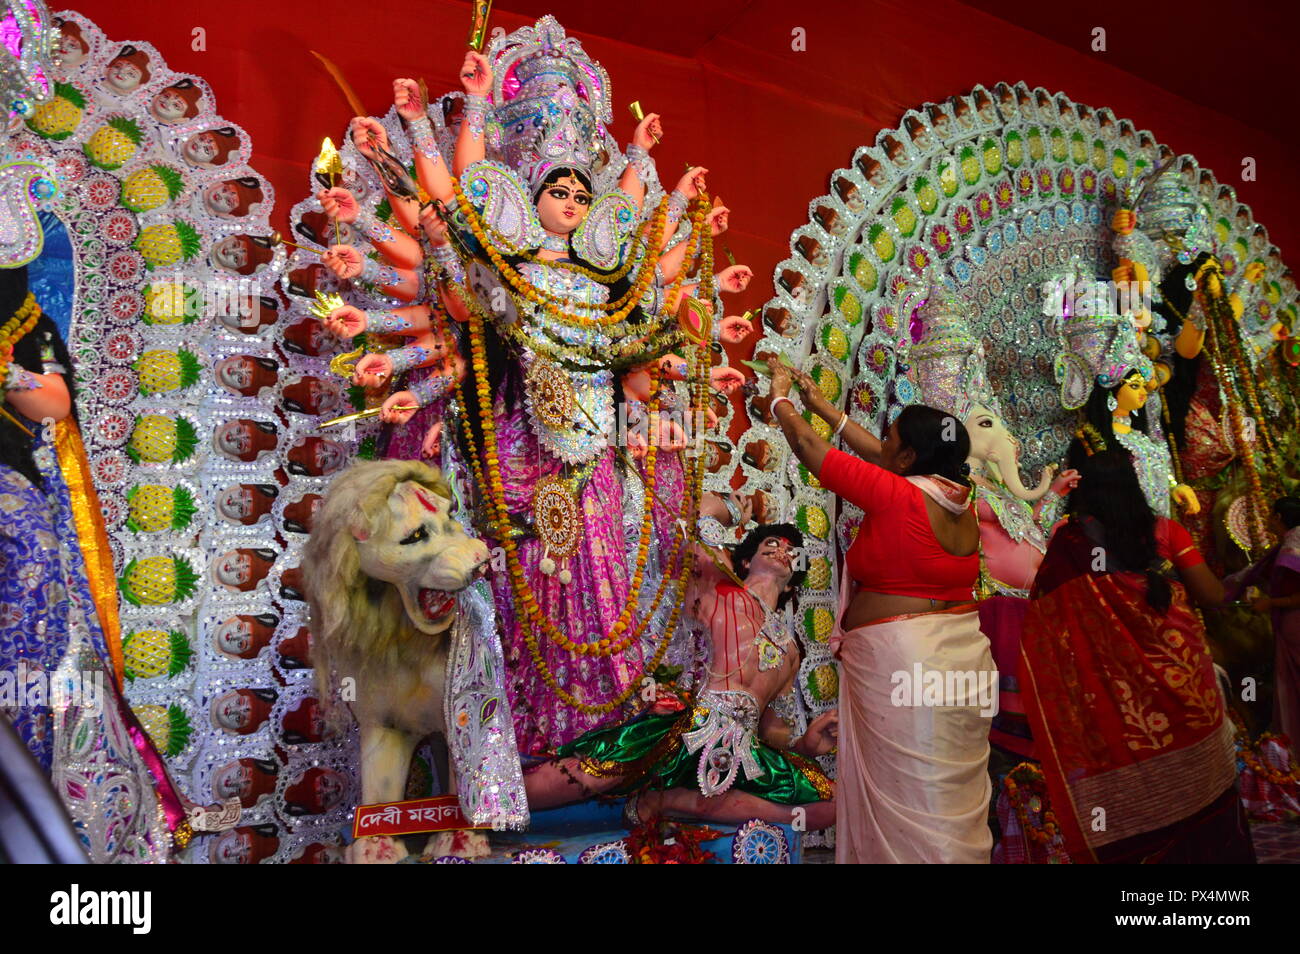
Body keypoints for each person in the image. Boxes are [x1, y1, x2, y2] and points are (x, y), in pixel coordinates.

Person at [768, 363, 997, 863]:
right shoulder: (961, 496)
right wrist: (823, 406)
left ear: (911, 455)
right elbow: (881, 458)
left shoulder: (897, 494)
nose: (882, 443)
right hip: (960, 657)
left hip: (907, 661)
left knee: (908, 796)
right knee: (939, 794)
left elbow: (811, 450)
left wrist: (780, 400)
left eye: (891, 437)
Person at [522, 519, 838, 829]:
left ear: (795, 580)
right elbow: (695, 534)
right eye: (771, 543)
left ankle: (674, 802)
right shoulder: (717, 590)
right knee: (589, 775)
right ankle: (491, 804)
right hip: (687, 724)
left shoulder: (792, 651)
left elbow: (773, 734)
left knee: (832, 804)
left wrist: (807, 746)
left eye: (791, 550)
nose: (781, 549)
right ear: (745, 559)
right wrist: (729, 512)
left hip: (740, 750)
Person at [1018, 449, 1253, 863]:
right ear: (1134, 484)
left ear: (1084, 491)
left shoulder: (1068, 544)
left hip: (1117, 699)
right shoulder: (1166, 531)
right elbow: (1213, 597)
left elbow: (1046, 623)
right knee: (1202, 788)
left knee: (1139, 773)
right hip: (1186, 682)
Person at [1227, 497, 1300, 751]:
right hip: (1289, 624)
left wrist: (1270, 603)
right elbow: (1256, 572)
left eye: (1270, 514)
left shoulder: (1291, 548)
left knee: (1291, 685)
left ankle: (1292, 744)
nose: (1267, 519)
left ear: (1279, 518)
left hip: (1294, 623)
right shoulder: (1289, 543)